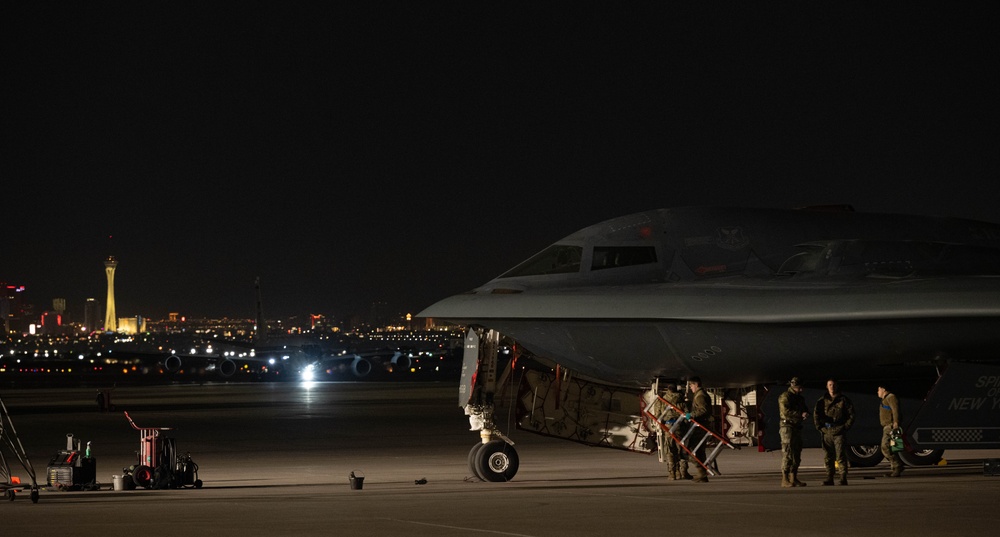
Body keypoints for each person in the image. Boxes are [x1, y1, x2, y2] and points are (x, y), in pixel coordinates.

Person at [814, 379, 855, 485]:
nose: (832, 387)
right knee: (828, 456)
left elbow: (851, 414)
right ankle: (829, 477)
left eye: (833, 385)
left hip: (839, 431)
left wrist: (845, 427)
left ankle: (843, 477)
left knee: (840, 455)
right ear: (827, 387)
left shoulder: (843, 400)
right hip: (827, 431)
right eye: (830, 385)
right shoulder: (822, 401)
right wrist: (820, 427)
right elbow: (816, 414)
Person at [778, 377, 809, 487]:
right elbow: (785, 411)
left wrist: (805, 413)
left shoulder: (799, 398)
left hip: (796, 426)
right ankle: (785, 478)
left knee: (796, 452)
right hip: (787, 427)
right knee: (788, 451)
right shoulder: (785, 397)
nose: (801, 390)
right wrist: (800, 414)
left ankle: (793, 477)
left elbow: (805, 409)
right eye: (799, 388)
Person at [684, 376, 713, 483]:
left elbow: (703, 410)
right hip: (702, 425)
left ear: (696, 385)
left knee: (691, 449)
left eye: (691, 385)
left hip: (700, 426)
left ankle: (701, 472)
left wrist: (691, 415)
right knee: (700, 451)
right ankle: (702, 474)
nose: (691, 388)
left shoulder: (700, 396)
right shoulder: (701, 394)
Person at [659, 383, 687, 480]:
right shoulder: (681, 400)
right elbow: (687, 415)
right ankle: (683, 471)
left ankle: (672, 473)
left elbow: (658, 415)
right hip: (680, 426)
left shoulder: (663, 400)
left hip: (668, 426)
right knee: (682, 448)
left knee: (670, 449)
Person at [878, 383, 904, 477]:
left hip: (891, 426)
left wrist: (896, 422)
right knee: (892, 448)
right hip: (887, 426)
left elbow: (895, 410)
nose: (878, 392)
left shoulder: (891, 397)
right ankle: (895, 469)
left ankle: (898, 465)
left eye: (879, 389)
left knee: (885, 447)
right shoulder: (885, 399)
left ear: (883, 389)